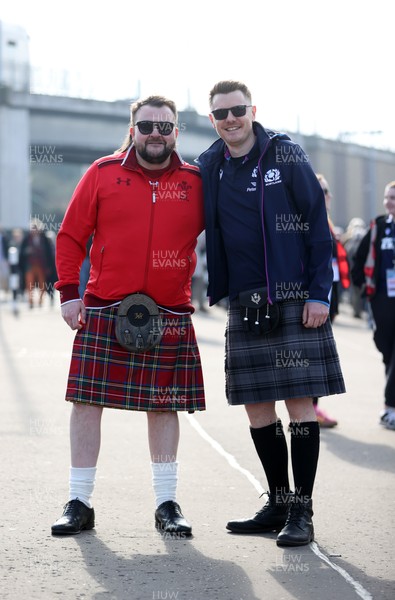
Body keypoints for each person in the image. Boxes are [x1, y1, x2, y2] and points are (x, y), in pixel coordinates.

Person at [197, 80, 345, 547]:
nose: (231, 119)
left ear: (252, 109)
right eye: (222, 114)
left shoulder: (285, 154)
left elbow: (317, 228)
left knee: (299, 403)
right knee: (257, 407)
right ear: (212, 119)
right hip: (245, 301)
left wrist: (320, 294)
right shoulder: (209, 164)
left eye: (238, 110)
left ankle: (302, 511)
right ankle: (278, 501)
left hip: (294, 296)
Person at [51, 95, 205, 536]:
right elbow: (70, 235)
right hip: (104, 305)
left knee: (164, 406)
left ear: (177, 131)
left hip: (169, 311)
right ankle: (79, 502)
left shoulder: (197, 182)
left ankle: (166, 504)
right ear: (132, 129)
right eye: (146, 125)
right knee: (87, 402)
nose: (155, 133)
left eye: (165, 126)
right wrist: (67, 293)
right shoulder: (102, 172)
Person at [351, 180, 395, 431]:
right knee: (386, 350)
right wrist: (364, 290)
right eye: (387, 197)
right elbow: (358, 258)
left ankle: (390, 408)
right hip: (382, 301)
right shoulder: (379, 227)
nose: (389, 202)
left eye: (394, 198)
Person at [312, 174, 351, 428]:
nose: (329, 196)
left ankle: (312, 406)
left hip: (329, 294)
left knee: (318, 358)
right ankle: (310, 408)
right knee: (314, 360)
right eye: (324, 191)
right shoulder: (309, 220)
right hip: (316, 298)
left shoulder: (325, 221)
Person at [19, 218, 56, 308]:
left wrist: (49, 266)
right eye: (33, 228)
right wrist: (27, 252)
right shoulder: (27, 239)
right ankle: (30, 301)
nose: (34, 230)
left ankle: (40, 300)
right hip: (29, 265)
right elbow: (22, 253)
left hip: (41, 265)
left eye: (36, 228)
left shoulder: (44, 239)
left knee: (42, 284)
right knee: (29, 284)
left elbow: (48, 254)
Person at [342, 217, 367, 318]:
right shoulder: (349, 239)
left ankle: (357, 310)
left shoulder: (348, 240)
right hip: (357, 269)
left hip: (353, 269)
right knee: (357, 289)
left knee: (354, 289)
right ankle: (357, 310)